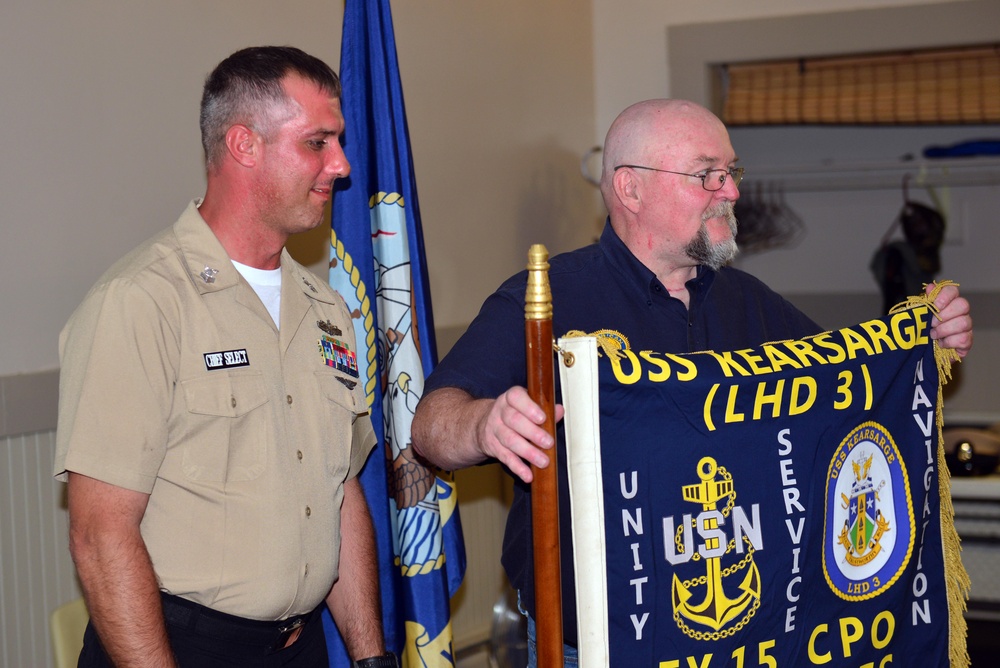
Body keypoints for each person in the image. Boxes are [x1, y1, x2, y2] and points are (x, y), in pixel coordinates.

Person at [410, 99, 974, 665]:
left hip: (754, 642)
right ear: (631, 189)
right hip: (594, 648)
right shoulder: (547, 299)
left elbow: (847, 395)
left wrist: (925, 344)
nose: (730, 191)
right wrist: (486, 425)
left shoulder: (751, 303)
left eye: (732, 173)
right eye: (708, 174)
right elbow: (431, 425)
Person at [55, 46, 398, 668]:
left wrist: (372, 658)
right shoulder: (142, 301)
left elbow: (339, 494)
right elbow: (100, 535)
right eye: (318, 142)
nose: (341, 166)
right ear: (244, 145)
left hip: (301, 646)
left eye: (337, 142)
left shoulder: (325, 309)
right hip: (175, 647)